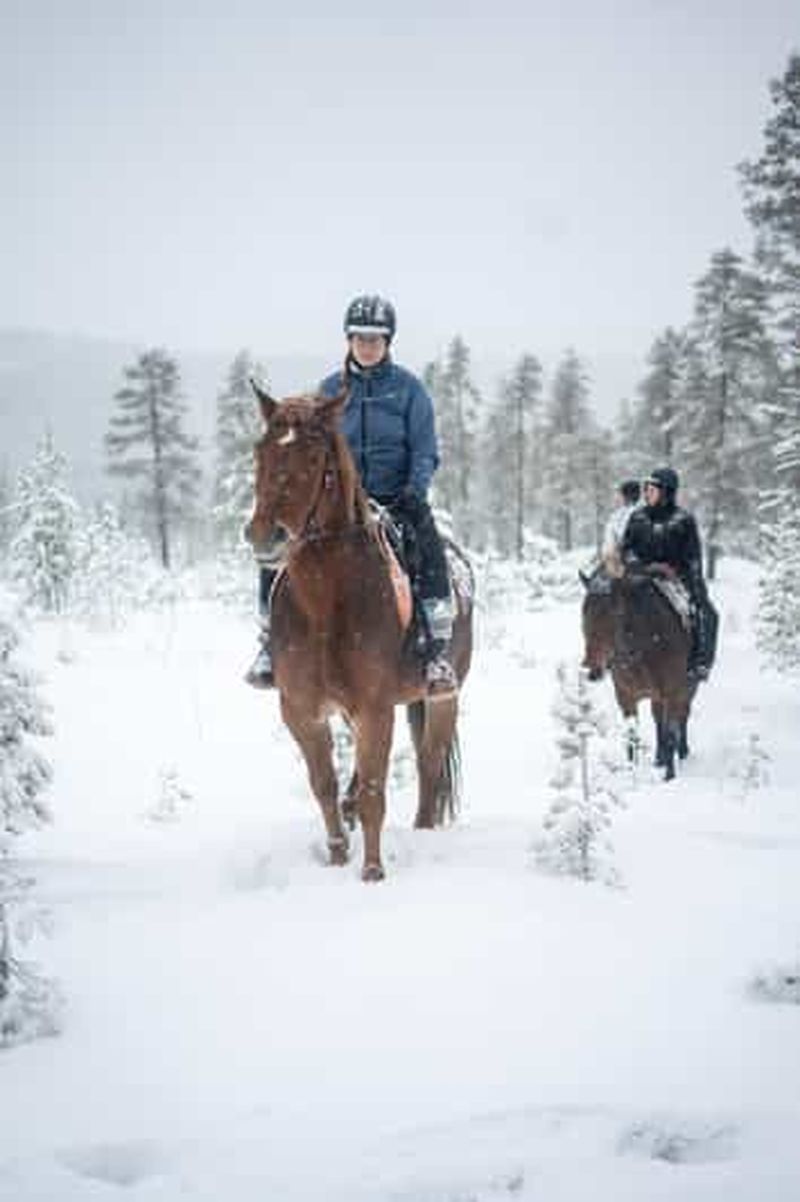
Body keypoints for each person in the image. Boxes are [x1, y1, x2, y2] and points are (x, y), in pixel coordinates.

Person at [245, 293, 457, 698]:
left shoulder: (410, 391)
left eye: (375, 339)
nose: (367, 346)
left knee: (425, 542)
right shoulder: (328, 391)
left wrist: (414, 490)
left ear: (388, 342)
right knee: (277, 541)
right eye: (359, 338)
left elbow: (426, 448)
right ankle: (269, 645)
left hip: (396, 497)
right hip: (337, 501)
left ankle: (435, 650)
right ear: (349, 340)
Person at [621, 467, 718, 681]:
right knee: (611, 603)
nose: (646, 493)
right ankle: (611, 657)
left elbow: (693, 558)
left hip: (675, 581)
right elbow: (626, 550)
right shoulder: (637, 518)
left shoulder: (684, 520)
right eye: (646, 489)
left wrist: (684, 579)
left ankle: (700, 663)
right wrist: (641, 567)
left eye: (652, 489)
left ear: (667, 491)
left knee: (708, 613)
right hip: (641, 579)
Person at [600, 478, 641, 575]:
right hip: (623, 558)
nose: (619, 497)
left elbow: (611, 540)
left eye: (621, 494)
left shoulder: (619, 516)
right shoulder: (618, 515)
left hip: (626, 559)